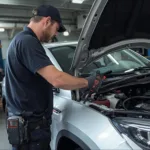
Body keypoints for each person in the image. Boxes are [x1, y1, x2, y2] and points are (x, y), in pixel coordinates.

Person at [5, 4, 99, 150]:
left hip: (27, 128)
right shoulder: (28, 42)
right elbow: (57, 79)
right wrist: (87, 82)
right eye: (56, 28)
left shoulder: (21, 41)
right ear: (47, 21)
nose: (56, 34)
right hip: (32, 132)